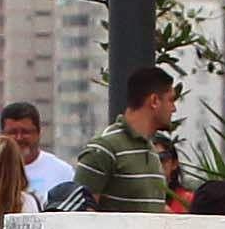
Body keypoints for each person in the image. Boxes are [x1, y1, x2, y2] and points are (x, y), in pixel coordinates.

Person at [68, 67, 180, 210]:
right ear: (154, 101)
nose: (174, 109)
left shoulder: (151, 150)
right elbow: (79, 212)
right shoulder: (104, 148)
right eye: (170, 100)